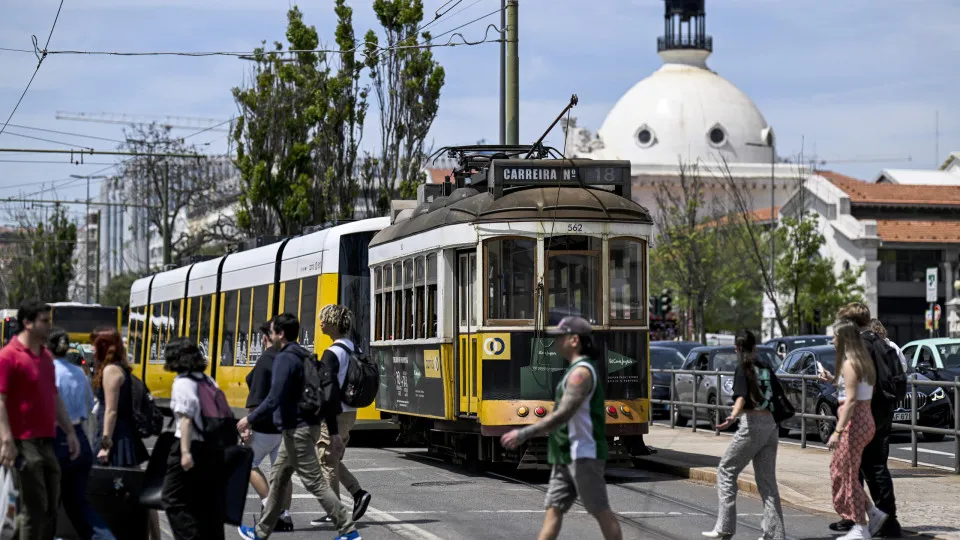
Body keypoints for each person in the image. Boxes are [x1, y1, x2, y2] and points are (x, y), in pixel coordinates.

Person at [236, 313, 359, 540]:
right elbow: (327, 395)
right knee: (279, 479)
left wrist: (248, 420)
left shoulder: (284, 359)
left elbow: (273, 398)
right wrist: (333, 432)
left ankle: (348, 531)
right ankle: (261, 532)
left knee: (315, 483)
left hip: (297, 430)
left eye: (271, 331)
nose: (268, 336)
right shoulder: (305, 356)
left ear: (280, 334)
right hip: (304, 427)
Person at [501, 316, 622, 540]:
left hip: (584, 456)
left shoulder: (581, 374)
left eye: (560, 337)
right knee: (553, 510)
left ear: (574, 340)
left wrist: (524, 433)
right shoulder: (574, 370)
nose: (555, 342)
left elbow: (563, 414)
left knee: (600, 510)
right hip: (565, 454)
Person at [0, 300, 80, 540]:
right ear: (28, 323)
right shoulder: (8, 356)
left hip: (47, 441)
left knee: (50, 506)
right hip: (23, 441)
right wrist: (6, 439)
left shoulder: (45, 357)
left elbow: (54, 397)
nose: (49, 326)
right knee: (33, 508)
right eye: (44, 321)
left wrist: (70, 431)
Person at [701, 329, 785, 540]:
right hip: (771, 425)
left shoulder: (743, 368)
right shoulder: (765, 367)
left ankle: (725, 527)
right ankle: (775, 534)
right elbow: (778, 394)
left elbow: (740, 398)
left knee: (726, 470)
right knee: (767, 481)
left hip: (753, 424)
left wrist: (732, 416)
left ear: (736, 348)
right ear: (755, 347)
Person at [832, 303, 901, 538]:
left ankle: (866, 520)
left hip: (864, 413)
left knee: (857, 469)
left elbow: (855, 387)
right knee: (875, 466)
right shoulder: (883, 342)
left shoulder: (860, 345)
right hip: (882, 411)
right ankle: (882, 519)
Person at [90, 327, 160, 540]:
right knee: (136, 488)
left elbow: (111, 411)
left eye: (94, 344)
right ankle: (153, 535)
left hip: (116, 439)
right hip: (123, 437)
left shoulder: (111, 371)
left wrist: (105, 445)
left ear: (102, 346)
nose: (91, 349)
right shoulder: (120, 369)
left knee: (121, 488)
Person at [49, 328, 115, 540]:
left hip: (55, 437)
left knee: (47, 505)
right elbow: (89, 406)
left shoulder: (47, 373)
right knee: (78, 503)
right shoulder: (79, 373)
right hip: (79, 437)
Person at [311, 305, 372, 527]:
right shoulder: (353, 347)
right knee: (332, 458)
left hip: (334, 413)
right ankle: (358, 493)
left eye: (324, 319)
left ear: (333, 324)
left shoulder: (332, 353)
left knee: (327, 459)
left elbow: (327, 391)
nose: (320, 322)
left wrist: (330, 427)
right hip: (349, 412)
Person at [162, 338, 226, 539]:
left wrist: (184, 452)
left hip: (190, 445)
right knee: (205, 501)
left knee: (172, 498)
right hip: (211, 447)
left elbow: (186, 419)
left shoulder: (182, 383)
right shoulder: (208, 380)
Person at [828, 319, 882, 540]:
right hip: (865, 418)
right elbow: (857, 391)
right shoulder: (863, 362)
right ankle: (872, 512)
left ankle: (861, 526)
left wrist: (837, 431)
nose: (832, 340)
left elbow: (850, 400)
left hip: (854, 422)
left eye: (835, 337)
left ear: (843, 339)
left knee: (846, 474)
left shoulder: (850, 364)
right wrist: (833, 380)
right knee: (844, 471)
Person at [243, 320, 294, 532]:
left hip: (266, 425)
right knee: (282, 472)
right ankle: (284, 516)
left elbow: (256, 397)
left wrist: (248, 424)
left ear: (265, 338)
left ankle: (269, 508)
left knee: (248, 463)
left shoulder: (265, 360)